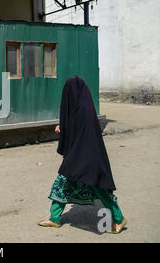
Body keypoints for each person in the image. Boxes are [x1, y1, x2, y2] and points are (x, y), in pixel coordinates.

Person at [38, 76, 127, 234]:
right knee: (62, 182)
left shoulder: (83, 109)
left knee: (98, 187)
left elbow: (80, 130)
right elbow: (74, 127)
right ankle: (55, 218)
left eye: (68, 91)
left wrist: (64, 129)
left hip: (87, 157)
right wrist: (63, 128)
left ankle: (119, 218)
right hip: (77, 155)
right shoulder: (81, 106)